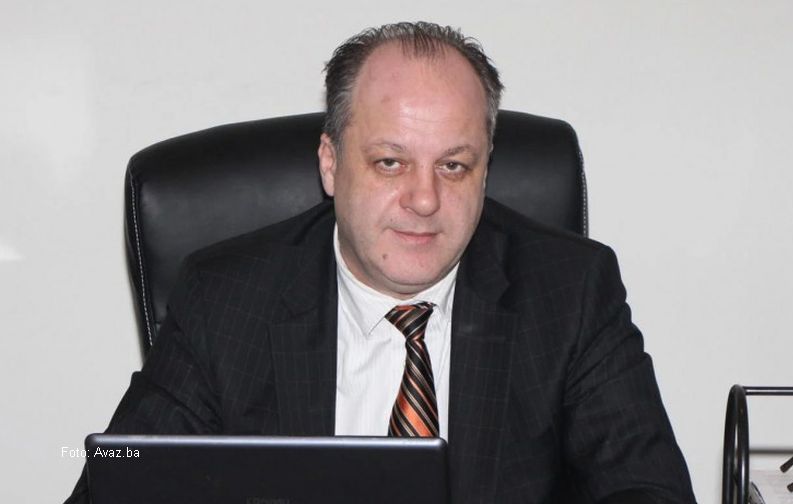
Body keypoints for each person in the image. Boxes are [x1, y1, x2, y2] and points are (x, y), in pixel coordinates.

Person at [66, 21, 695, 503]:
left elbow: (648, 490)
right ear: (330, 164)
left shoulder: (570, 292)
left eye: (454, 165)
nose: (424, 200)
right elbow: (118, 481)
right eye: (390, 162)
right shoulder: (225, 299)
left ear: (486, 170)